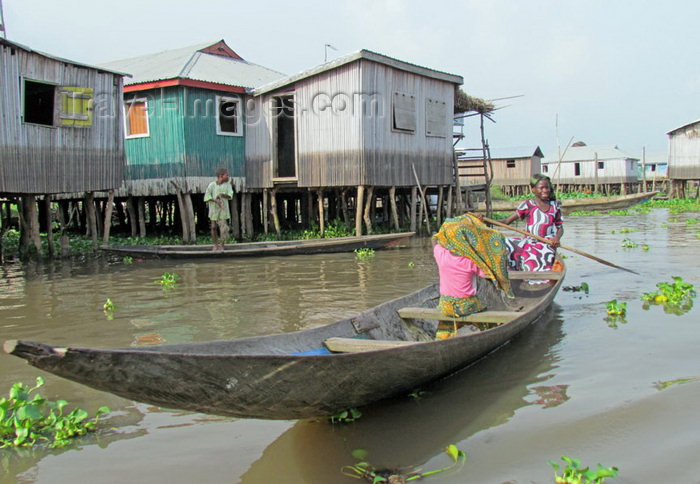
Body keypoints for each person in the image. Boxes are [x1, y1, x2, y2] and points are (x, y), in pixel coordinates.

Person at [432, 213, 513, 339]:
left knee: (446, 326)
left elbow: (435, 241)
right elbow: (488, 271)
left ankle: (440, 339)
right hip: (467, 305)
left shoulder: (441, 255)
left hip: (446, 305)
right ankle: (492, 332)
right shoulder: (469, 262)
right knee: (485, 319)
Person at [502, 174, 564, 274]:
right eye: (541, 188)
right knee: (504, 242)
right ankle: (514, 271)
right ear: (533, 189)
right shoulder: (528, 205)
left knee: (540, 254)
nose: (545, 190)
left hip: (546, 243)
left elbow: (560, 228)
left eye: (547, 187)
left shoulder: (554, 206)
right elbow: (507, 222)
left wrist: (557, 238)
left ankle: (537, 278)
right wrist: (484, 220)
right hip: (529, 241)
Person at [204, 168, 234, 251]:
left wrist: (222, 195)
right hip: (214, 209)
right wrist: (215, 201)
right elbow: (207, 196)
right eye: (226, 175)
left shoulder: (228, 185)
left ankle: (222, 245)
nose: (228, 177)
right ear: (221, 176)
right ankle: (215, 245)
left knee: (223, 228)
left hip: (223, 209)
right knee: (213, 227)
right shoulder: (212, 185)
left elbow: (230, 195)